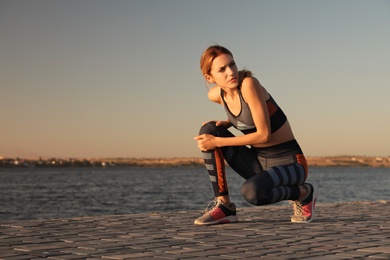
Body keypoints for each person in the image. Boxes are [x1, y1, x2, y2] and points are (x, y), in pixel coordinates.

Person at [193, 45, 318, 225]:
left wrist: (218, 141)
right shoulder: (215, 95)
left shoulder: (249, 84)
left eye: (232, 64)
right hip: (260, 162)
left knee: (252, 193)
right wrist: (228, 123)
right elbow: (248, 115)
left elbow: (263, 135)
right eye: (222, 69)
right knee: (208, 129)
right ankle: (224, 206)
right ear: (210, 77)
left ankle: (304, 193)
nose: (230, 72)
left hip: (291, 163)